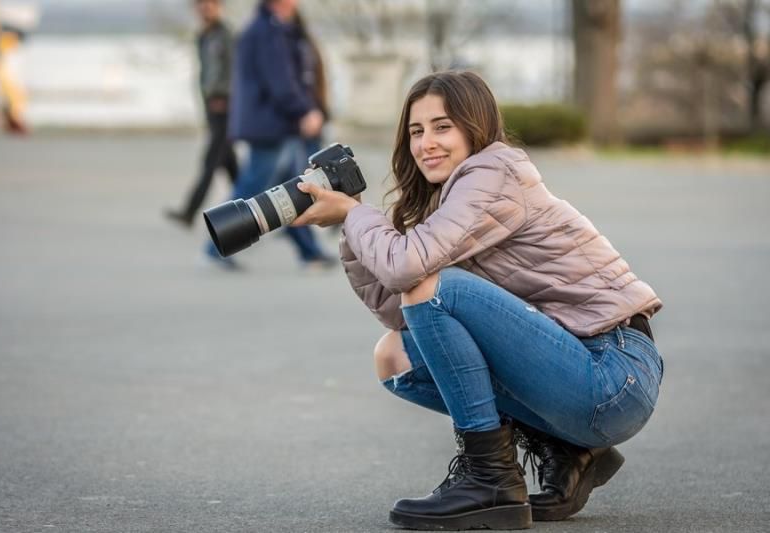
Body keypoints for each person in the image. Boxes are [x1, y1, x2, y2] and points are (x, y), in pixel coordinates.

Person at [292, 71, 663, 530]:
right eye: (416, 130)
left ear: (476, 127)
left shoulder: (493, 172)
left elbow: (412, 274)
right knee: (395, 356)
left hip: (613, 373)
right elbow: (402, 311)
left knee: (430, 283)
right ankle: (568, 449)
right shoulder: (451, 198)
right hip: (573, 374)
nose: (427, 142)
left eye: (443, 127)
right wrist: (352, 232)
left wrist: (355, 214)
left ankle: (488, 480)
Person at [203, 0, 333, 269]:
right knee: (253, 187)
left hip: (274, 124)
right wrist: (305, 111)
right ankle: (215, 247)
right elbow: (280, 82)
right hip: (270, 126)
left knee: (295, 188)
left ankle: (309, 252)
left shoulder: (273, 28)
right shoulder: (267, 32)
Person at [165, 0, 238, 229]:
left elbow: (234, 70)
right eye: (200, 5)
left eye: (210, 4)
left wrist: (223, 97)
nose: (205, 8)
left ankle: (190, 211)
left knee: (210, 161)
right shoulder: (205, 35)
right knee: (231, 165)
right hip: (211, 107)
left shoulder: (225, 36)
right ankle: (257, 206)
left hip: (223, 106)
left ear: (219, 7)